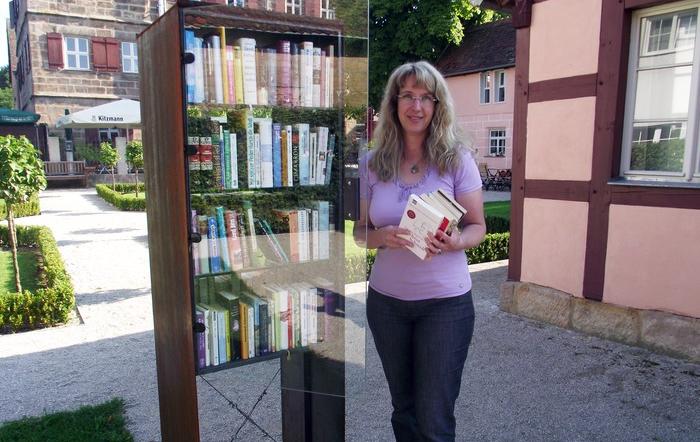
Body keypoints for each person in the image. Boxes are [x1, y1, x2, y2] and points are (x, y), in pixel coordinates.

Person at [355, 61, 486, 442]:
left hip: (446, 305)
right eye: (408, 96)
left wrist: (457, 241)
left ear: (437, 105)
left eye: (426, 97)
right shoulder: (371, 163)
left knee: (434, 417)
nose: (417, 106)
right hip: (387, 305)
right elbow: (360, 233)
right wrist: (383, 237)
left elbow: (478, 226)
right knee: (404, 410)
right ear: (394, 103)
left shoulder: (456, 159)